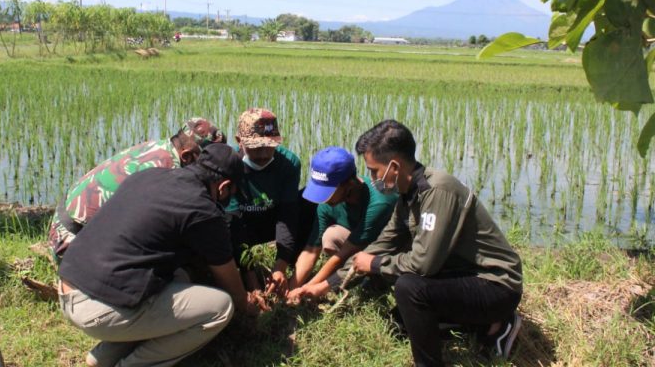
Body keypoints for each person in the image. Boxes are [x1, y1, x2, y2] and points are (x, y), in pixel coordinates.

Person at [313, 120, 523, 366]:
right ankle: (488, 326)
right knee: (400, 322)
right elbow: (382, 245)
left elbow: (423, 265)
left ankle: (435, 360)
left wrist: (376, 264)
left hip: (496, 286)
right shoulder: (406, 197)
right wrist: (326, 286)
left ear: (393, 167)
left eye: (373, 170)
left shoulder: (438, 191)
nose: (371, 179)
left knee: (409, 287)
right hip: (463, 278)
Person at [58, 143, 263, 367]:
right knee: (220, 307)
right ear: (223, 187)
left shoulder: (149, 175)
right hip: (97, 308)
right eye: (231, 193)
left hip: (70, 283)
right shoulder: (202, 210)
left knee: (181, 277)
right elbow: (229, 280)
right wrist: (247, 306)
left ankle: (103, 358)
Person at [48, 118, 225, 261]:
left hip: (65, 224)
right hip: (72, 243)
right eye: (209, 162)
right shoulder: (165, 173)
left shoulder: (159, 146)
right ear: (187, 156)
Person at [286, 146, 398, 300]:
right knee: (331, 236)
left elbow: (344, 253)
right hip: (357, 242)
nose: (323, 198)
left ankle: (376, 282)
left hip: (391, 248)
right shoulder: (327, 203)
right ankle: (348, 280)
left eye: (327, 191)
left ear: (349, 184)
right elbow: (311, 251)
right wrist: (292, 287)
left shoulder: (379, 201)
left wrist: (308, 289)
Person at [222, 107, 309, 295]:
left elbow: (288, 215)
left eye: (269, 145)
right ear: (239, 141)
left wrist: (280, 266)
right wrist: (253, 283)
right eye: (256, 147)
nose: (263, 154)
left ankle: (293, 264)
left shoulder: (289, 163)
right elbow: (233, 223)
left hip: (272, 219)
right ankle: (242, 271)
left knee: (309, 204)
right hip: (242, 224)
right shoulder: (229, 164)